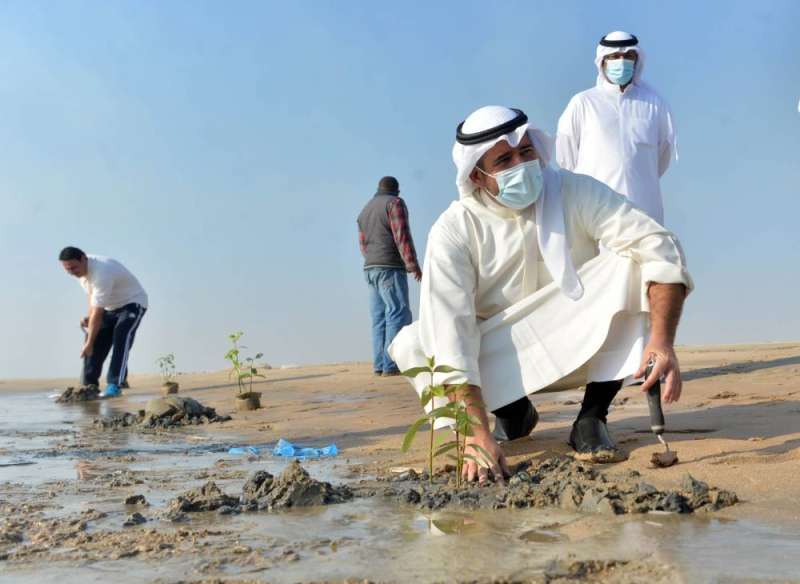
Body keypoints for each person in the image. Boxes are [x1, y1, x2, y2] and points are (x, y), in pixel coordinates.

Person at [389, 106, 692, 483]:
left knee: (632, 262)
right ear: (477, 177)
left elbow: (658, 244)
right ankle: (511, 413)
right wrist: (473, 433)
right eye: (504, 160)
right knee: (414, 342)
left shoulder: (574, 189)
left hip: (581, 340)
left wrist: (662, 341)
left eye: (526, 152)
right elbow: (450, 330)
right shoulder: (455, 229)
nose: (521, 164)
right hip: (502, 358)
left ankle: (592, 418)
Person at [556, 31, 676, 224]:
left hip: (644, 213)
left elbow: (662, 157)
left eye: (628, 56)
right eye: (614, 57)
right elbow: (567, 159)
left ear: (637, 60)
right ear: (602, 61)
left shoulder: (655, 104)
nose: (621, 61)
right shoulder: (583, 103)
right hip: (594, 213)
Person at [59, 247, 148, 397]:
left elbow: (98, 311)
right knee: (94, 340)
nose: (72, 272)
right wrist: (89, 317)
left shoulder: (102, 272)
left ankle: (115, 384)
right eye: (67, 270)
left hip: (132, 303)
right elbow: (92, 297)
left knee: (121, 337)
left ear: (83, 258)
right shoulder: (80, 273)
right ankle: (89, 385)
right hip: (109, 307)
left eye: (74, 267)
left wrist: (89, 343)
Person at [357, 176, 422, 377]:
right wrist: (413, 266)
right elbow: (402, 237)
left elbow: (363, 244)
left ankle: (379, 364)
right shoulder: (394, 203)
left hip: (370, 268)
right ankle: (391, 364)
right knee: (397, 312)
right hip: (389, 267)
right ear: (397, 191)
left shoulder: (365, 210)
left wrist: (372, 261)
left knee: (378, 318)